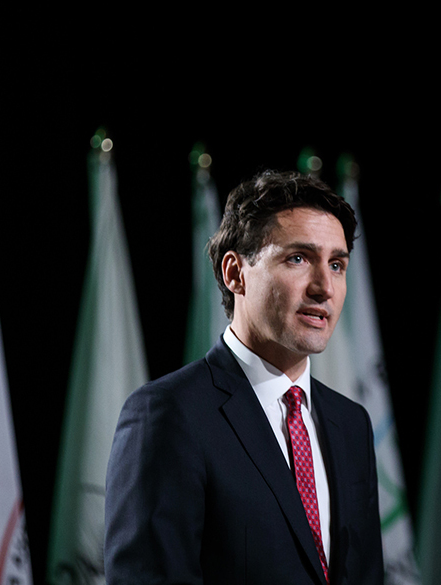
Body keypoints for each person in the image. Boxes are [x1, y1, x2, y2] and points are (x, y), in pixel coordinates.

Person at [104, 170, 384, 584]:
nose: (324, 287)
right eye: (298, 258)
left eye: (337, 264)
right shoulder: (168, 415)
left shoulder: (351, 423)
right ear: (235, 273)